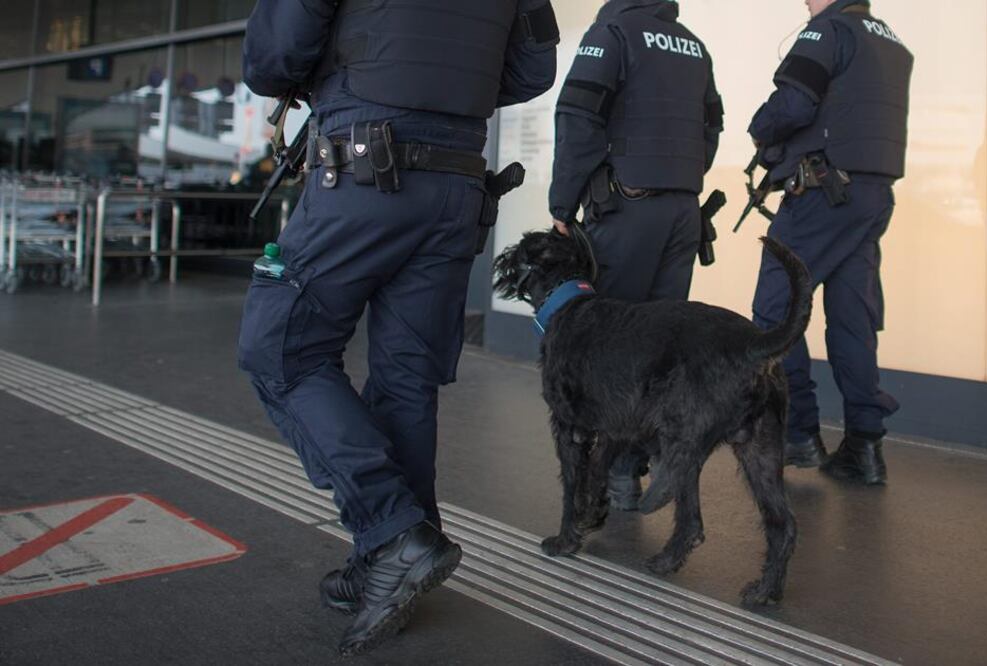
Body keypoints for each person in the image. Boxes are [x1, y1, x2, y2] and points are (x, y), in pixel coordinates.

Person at [237, 0, 557, 654]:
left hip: (363, 172)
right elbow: (532, 71)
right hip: (455, 186)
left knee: (279, 351)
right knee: (405, 380)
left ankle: (391, 533)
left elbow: (273, 60)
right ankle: (391, 560)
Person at [548, 0, 723, 511]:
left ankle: (606, 483)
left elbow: (578, 116)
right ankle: (630, 470)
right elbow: (711, 127)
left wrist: (563, 203)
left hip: (629, 211)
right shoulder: (692, 43)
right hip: (683, 213)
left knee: (611, 348)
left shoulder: (613, 32)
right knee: (656, 348)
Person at [749, 0, 913, 485]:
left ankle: (798, 433)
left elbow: (792, 106)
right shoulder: (892, 42)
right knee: (851, 317)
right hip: (870, 197)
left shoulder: (827, 32)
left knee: (776, 309)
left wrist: (760, 128)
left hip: (823, 194)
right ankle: (864, 446)